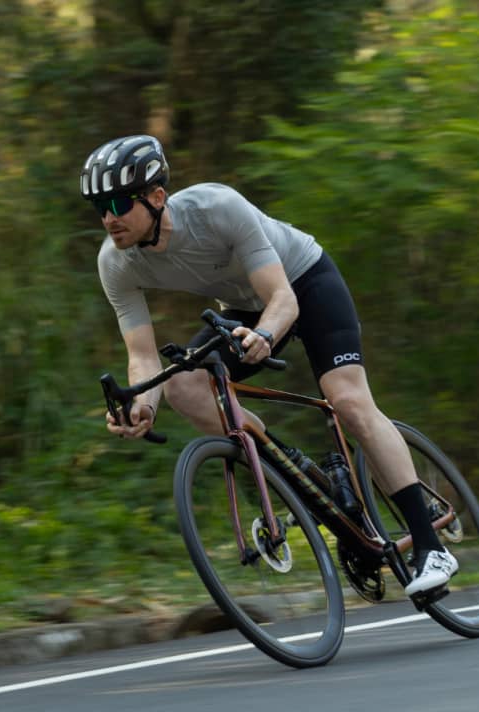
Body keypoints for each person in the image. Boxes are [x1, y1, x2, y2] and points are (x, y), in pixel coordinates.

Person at [82, 134, 457, 596]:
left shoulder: (216, 208)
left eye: (119, 202)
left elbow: (282, 298)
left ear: (157, 197)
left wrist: (265, 335)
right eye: (99, 207)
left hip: (304, 281)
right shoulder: (115, 263)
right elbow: (141, 356)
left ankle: (429, 546)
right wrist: (142, 405)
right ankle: (290, 471)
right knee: (182, 387)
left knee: (348, 401)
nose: (109, 218)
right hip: (241, 308)